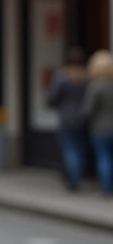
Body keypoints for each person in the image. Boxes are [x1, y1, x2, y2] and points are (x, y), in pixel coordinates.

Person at [49, 47, 89, 192]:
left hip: (66, 118)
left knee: (70, 149)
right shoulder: (87, 77)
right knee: (79, 148)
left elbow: (53, 97)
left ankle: (73, 180)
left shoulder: (62, 77)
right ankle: (77, 175)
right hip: (83, 117)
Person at [83, 50, 113, 197]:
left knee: (103, 157)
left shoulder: (95, 87)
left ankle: (106, 188)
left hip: (100, 128)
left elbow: (88, 109)